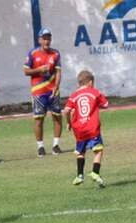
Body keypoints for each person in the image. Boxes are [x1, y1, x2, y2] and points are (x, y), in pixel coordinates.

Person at [65, 69, 108, 188]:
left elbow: (66, 111)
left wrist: (68, 123)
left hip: (79, 129)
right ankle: (95, 172)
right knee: (98, 150)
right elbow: (105, 105)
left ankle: (79, 175)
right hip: (92, 127)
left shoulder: (73, 96)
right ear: (90, 82)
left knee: (81, 152)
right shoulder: (94, 92)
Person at [23, 28, 63, 156]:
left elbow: (58, 71)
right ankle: (40, 147)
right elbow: (26, 71)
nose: (47, 41)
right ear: (39, 40)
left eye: (48, 38)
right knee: (39, 119)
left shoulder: (55, 54)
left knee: (57, 116)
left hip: (52, 91)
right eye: (44, 38)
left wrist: (57, 86)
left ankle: (56, 145)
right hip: (38, 91)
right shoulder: (32, 54)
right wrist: (39, 69)